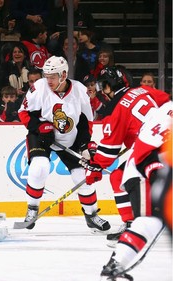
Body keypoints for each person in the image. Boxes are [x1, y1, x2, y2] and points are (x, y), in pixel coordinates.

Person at [17, 56, 110, 232]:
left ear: (64, 75)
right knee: (39, 167)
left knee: (82, 177)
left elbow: (86, 121)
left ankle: (91, 215)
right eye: (47, 75)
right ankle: (32, 209)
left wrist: (84, 145)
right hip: (42, 137)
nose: (48, 80)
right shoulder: (39, 87)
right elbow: (23, 113)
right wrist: (39, 127)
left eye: (53, 76)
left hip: (71, 138)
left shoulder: (80, 90)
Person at [81, 66, 170, 244]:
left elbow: (108, 151)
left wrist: (96, 166)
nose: (103, 92)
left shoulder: (115, 110)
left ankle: (134, 226)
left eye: (103, 87)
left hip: (151, 149)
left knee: (119, 176)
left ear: (109, 86)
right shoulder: (142, 89)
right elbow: (166, 100)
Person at [98, 101, 172, 280]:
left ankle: (116, 263)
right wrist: (157, 177)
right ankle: (117, 262)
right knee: (149, 221)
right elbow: (146, 153)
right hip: (143, 172)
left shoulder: (166, 109)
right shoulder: (167, 117)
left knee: (151, 222)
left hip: (150, 170)